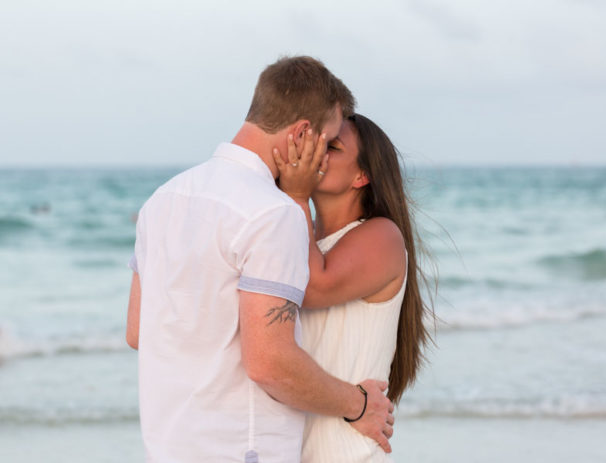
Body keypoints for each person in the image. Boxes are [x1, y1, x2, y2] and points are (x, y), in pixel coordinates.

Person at [125, 56, 394, 463]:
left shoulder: (162, 200)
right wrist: (358, 404)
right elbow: (271, 365)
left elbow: (138, 332)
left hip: (168, 448)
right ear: (303, 133)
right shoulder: (274, 211)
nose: (324, 155)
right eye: (329, 139)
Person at [272, 113, 432, 462]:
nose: (314, 150)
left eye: (331, 146)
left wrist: (295, 196)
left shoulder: (382, 235)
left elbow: (313, 287)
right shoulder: (305, 238)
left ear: (362, 176)